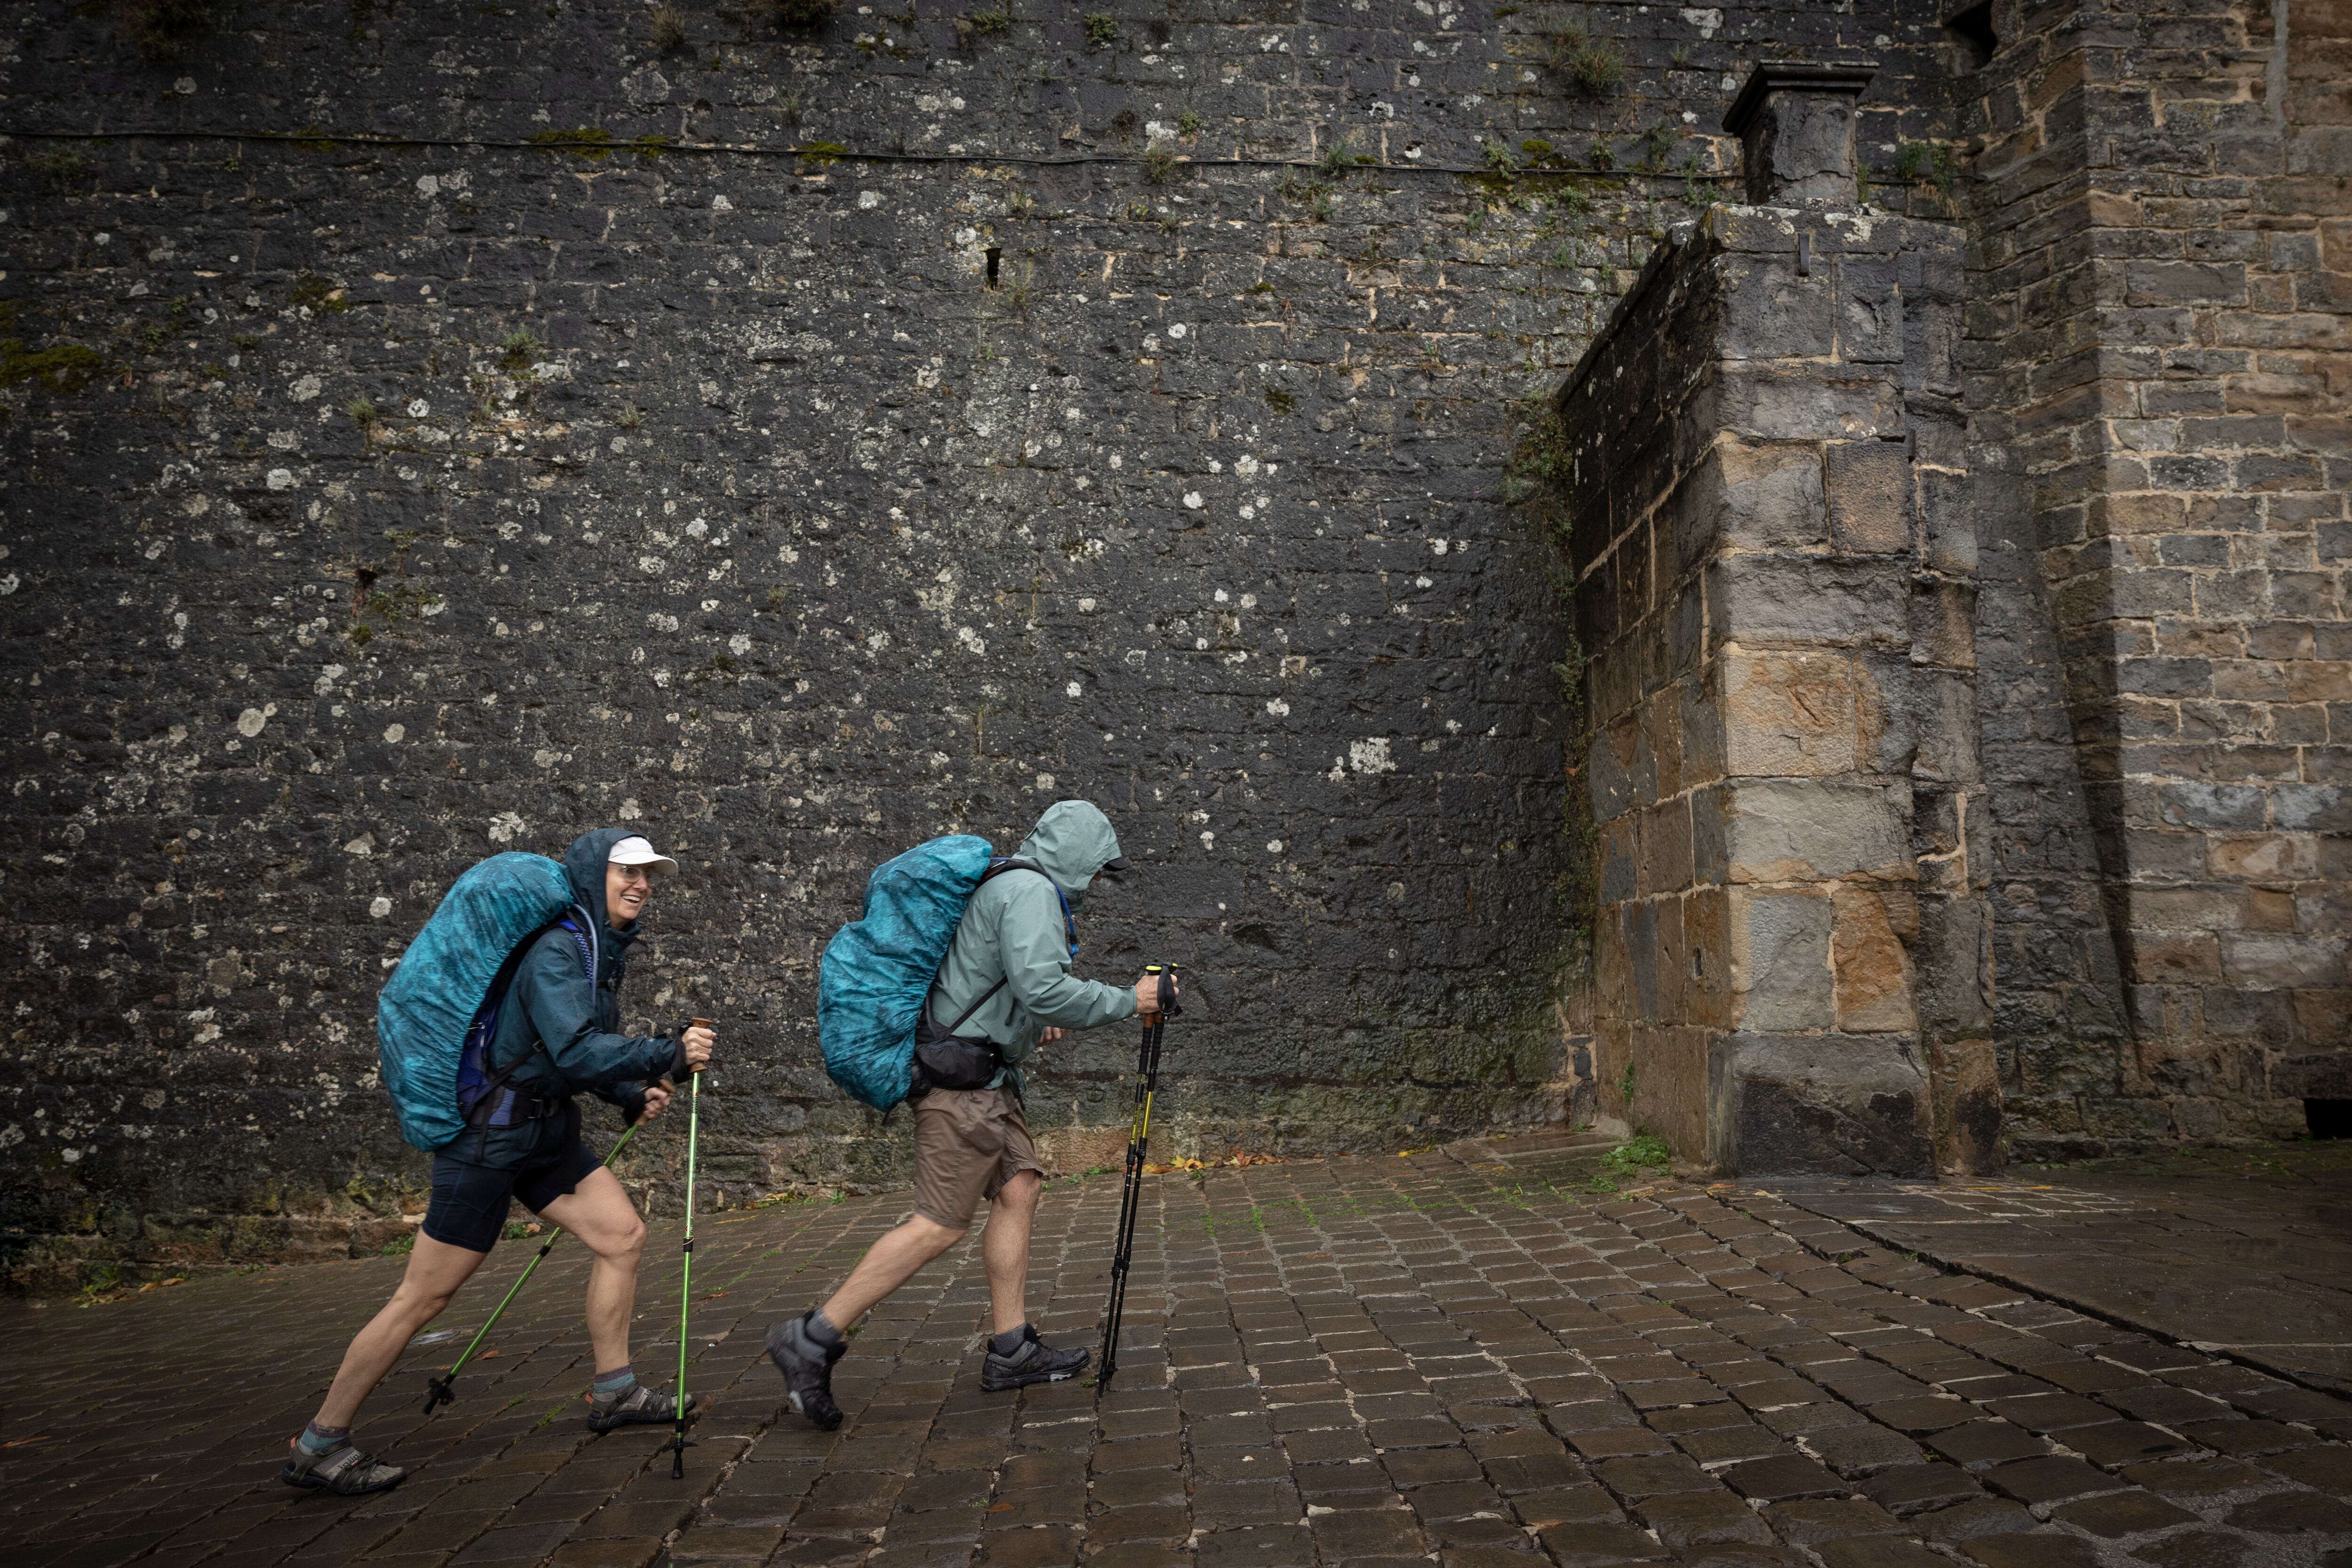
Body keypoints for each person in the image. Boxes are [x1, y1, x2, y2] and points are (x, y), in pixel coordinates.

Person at [282, 830, 717, 1496]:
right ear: (591, 875)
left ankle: (615, 1392)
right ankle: (320, 1442)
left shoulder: (598, 949)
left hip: (542, 1133)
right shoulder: (559, 949)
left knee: (622, 1234)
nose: (641, 883)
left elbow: (569, 1051)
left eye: (648, 874)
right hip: (488, 1140)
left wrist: (631, 1095)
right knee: (423, 1295)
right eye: (627, 870)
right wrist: (666, 1053)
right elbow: (576, 1050)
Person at [765, 799, 1176, 1429]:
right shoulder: (1033, 891)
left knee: (1019, 1187)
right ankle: (813, 1335)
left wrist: (1030, 1023)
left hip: (989, 1077)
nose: (1096, 882)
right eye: (1097, 869)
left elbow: (996, 982)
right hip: (962, 1090)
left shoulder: (1008, 882)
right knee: (938, 1224)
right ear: (1076, 856)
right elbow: (1042, 986)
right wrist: (1131, 998)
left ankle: (1011, 1349)